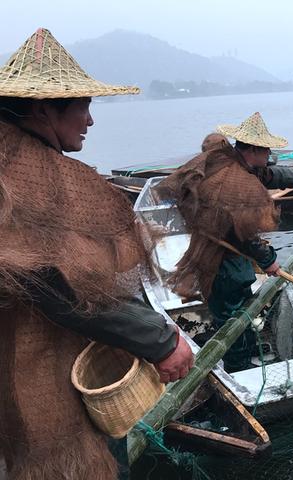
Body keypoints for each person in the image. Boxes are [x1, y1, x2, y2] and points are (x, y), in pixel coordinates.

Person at [0, 29, 193, 479]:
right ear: (45, 108)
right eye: (83, 106)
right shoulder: (41, 178)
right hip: (38, 377)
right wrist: (160, 340)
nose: (89, 121)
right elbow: (56, 280)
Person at [157, 112, 293, 371]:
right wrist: (269, 260)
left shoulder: (244, 165)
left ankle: (249, 346)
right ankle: (238, 365)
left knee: (243, 301)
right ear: (252, 149)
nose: (270, 154)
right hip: (219, 258)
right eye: (266, 149)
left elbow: (275, 175)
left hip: (233, 255)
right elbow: (242, 235)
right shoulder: (232, 182)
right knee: (231, 315)